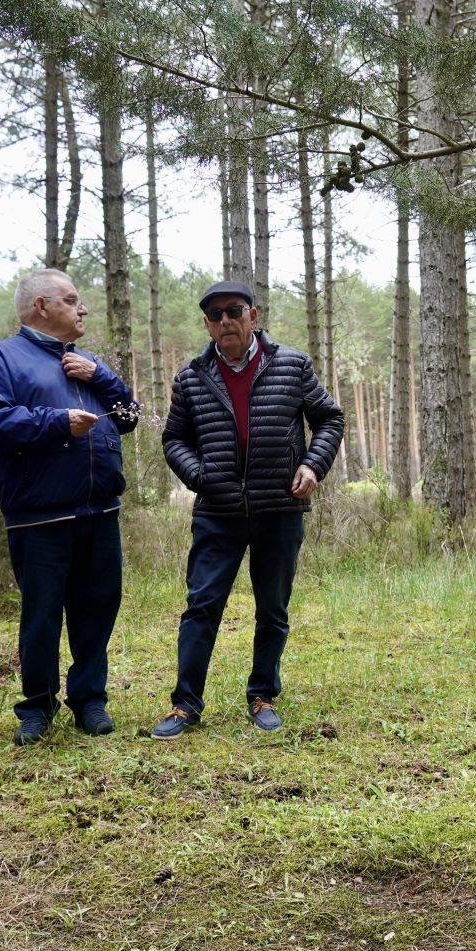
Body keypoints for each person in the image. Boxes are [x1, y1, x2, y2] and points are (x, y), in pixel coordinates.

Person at [151, 281, 343, 737]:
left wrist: (313, 465)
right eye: (215, 315)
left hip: (279, 508)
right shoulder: (191, 377)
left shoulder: (291, 365)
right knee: (201, 605)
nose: (225, 321)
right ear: (207, 324)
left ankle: (262, 695)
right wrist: (199, 476)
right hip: (217, 512)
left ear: (252, 316)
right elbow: (174, 439)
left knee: (272, 608)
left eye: (234, 311)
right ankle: (185, 704)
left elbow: (329, 418)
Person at [0, 268, 139, 746]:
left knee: (97, 608)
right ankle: (37, 707)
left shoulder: (87, 362)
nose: (83, 308)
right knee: (41, 615)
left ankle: (90, 700)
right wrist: (58, 422)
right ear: (41, 306)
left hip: (101, 511)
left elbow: (129, 418)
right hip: (39, 515)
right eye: (71, 299)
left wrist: (104, 377)